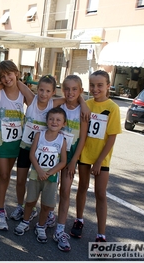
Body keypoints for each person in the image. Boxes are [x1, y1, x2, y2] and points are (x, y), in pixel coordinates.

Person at [70, 70, 122, 242]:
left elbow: (112, 137)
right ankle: (79, 220)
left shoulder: (113, 108)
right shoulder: (87, 104)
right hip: (85, 155)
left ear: (108, 86)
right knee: (82, 187)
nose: (95, 88)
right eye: (92, 85)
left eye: (100, 85)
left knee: (100, 193)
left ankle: (101, 233)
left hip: (101, 158)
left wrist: (99, 161)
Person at [14, 107, 67, 244]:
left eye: (58, 120)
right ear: (47, 121)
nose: (54, 122)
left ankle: (41, 225)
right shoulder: (40, 135)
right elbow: (32, 154)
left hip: (51, 177)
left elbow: (63, 162)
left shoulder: (62, 139)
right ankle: (25, 221)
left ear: (64, 123)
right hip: (35, 174)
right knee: (30, 200)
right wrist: (39, 170)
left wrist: (49, 173)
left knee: (46, 204)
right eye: (51, 119)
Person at [0, 60, 32, 231]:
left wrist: (20, 83)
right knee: (4, 174)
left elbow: (33, 102)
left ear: (16, 73)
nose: (7, 78)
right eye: (3, 76)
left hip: (17, 140)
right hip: (1, 140)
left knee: (14, 176)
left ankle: (16, 206)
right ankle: (0, 210)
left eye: (10, 74)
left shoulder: (22, 92)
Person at [53, 75, 88, 252]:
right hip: (54, 152)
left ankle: (60, 229)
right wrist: (81, 99)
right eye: (67, 89)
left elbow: (82, 138)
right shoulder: (59, 106)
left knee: (65, 190)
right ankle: (49, 215)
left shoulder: (82, 112)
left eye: (75, 89)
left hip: (71, 155)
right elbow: (49, 103)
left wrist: (74, 160)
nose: (70, 92)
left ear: (80, 90)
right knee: (50, 187)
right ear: (62, 90)